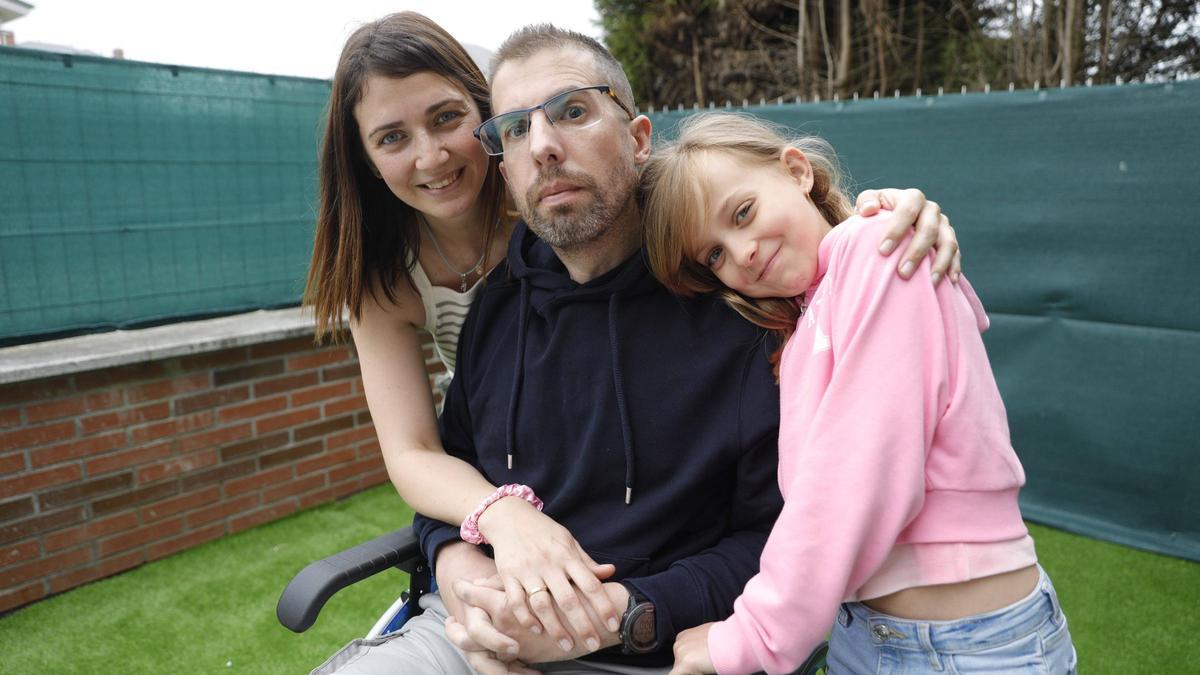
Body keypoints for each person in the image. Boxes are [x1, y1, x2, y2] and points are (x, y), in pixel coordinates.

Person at [314, 22, 963, 675]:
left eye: (573, 111)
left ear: (638, 136)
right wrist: (462, 573)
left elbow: (788, 539)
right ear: (503, 168)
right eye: (515, 128)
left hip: (665, 642)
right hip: (476, 627)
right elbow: (441, 476)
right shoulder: (494, 311)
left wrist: (889, 220)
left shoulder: (739, 304)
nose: (543, 146)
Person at [641, 113, 1077, 674]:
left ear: (797, 171)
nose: (741, 253)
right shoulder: (803, 319)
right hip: (865, 635)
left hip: (968, 646)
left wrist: (749, 636)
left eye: (743, 213)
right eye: (715, 256)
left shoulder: (881, 246)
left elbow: (854, 479)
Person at [302, 11, 625, 652]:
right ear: (363, 159)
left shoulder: (559, 207)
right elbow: (415, 451)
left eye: (447, 118)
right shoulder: (385, 277)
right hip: (500, 464)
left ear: (490, 114)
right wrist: (498, 520)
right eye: (392, 138)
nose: (431, 155)